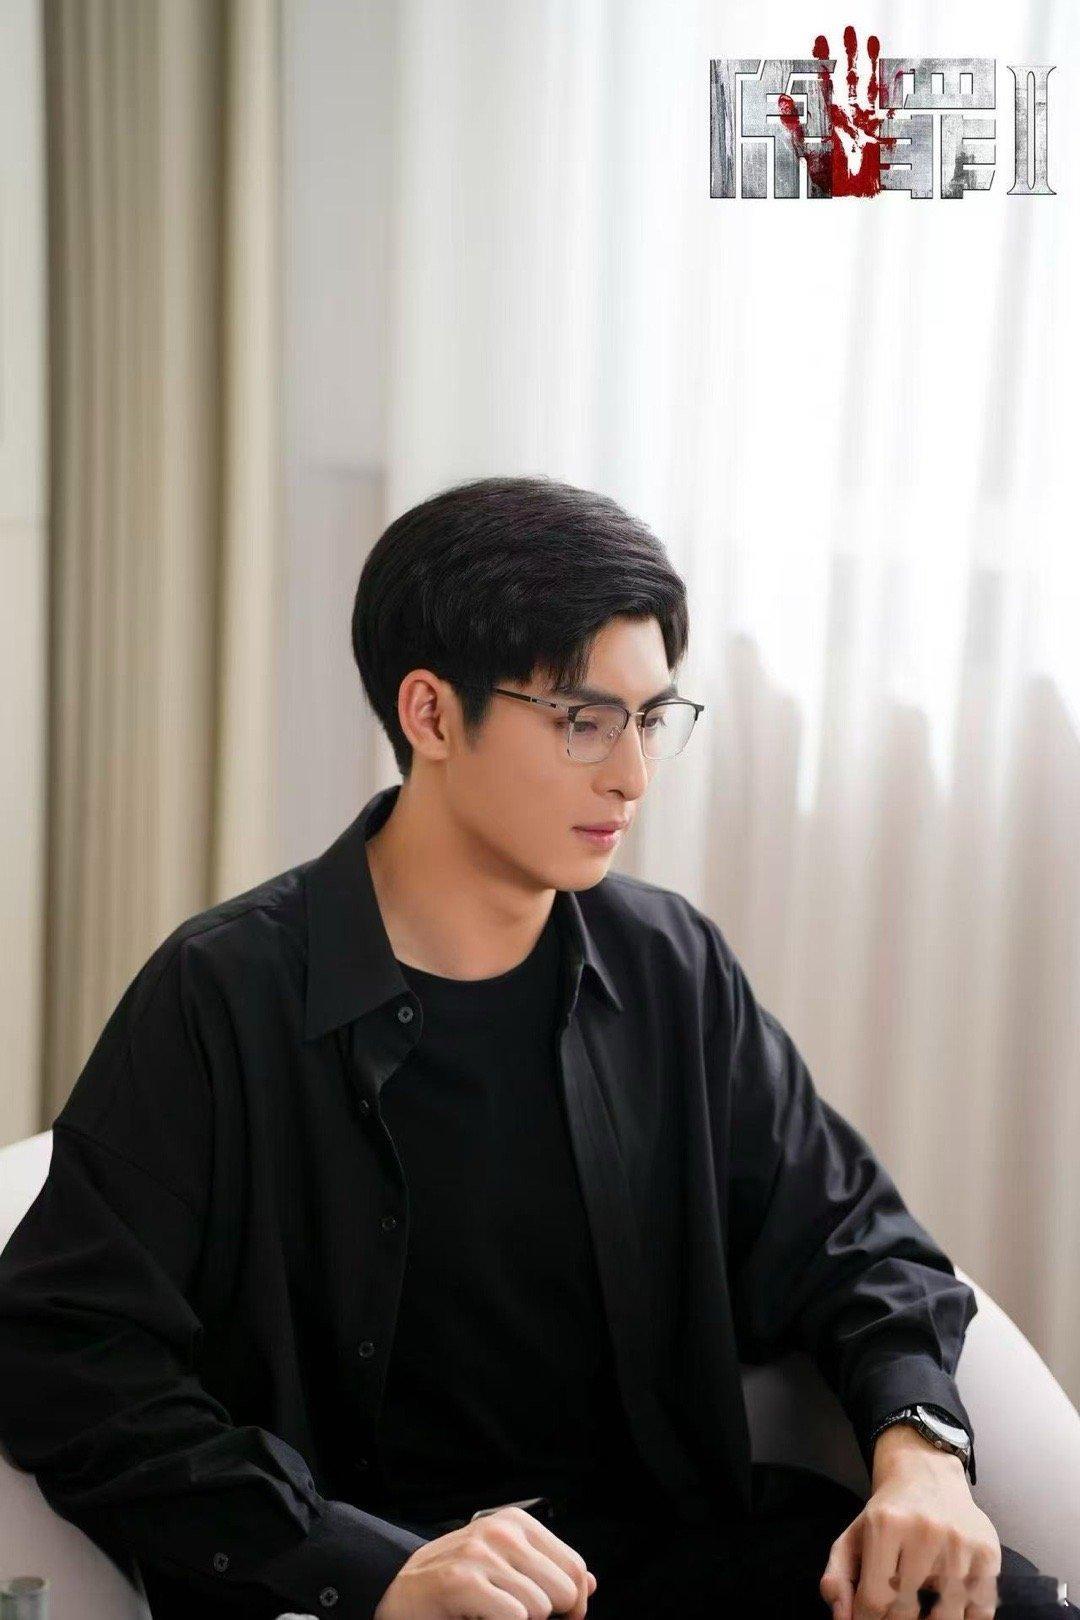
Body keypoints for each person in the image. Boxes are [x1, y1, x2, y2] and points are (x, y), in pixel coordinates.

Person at [0, 476, 1070, 1620]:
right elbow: (65, 1351)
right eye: (583, 722)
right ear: (430, 715)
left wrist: (922, 1450)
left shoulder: (668, 966)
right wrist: (363, 1563)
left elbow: (852, 1239)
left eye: (651, 719)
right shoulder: (225, 994)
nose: (632, 776)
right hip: (386, 1589)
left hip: (673, 1553)